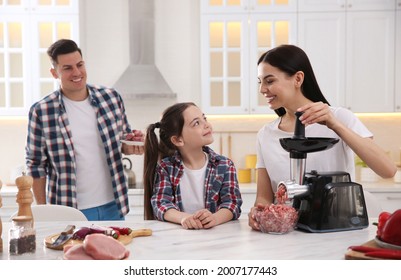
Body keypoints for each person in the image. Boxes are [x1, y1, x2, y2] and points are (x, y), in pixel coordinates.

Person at [249, 44, 397, 231]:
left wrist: (334, 124)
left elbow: (387, 170)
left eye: (269, 81)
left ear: (298, 78)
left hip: (336, 228)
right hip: (288, 233)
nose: (262, 89)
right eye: (259, 82)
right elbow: (263, 197)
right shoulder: (265, 134)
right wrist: (258, 211)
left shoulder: (339, 117)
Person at [25, 39, 144, 221]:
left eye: (80, 65)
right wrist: (43, 210)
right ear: (54, 73)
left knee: (116, 250)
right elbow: (35, 165)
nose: (77, 72)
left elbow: (122, 141)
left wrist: (132, 144)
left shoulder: (111, 98)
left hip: (114, 205)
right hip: (68, 210)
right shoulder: (42, 111)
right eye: (67, 68)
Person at [143, 102, 242, 229]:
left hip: (216, 237)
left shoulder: (225, 165)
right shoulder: (166, 168)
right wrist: (184, 218)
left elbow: (232, 204)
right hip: (178, 239)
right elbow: (161, 204)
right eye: (196, 123)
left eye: (204, 118)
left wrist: (214, 218)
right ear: (178, 140)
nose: (206, 125)